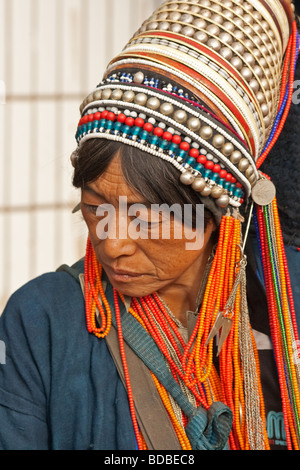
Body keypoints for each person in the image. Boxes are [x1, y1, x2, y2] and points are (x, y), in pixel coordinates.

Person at [0, 0, 300, 451]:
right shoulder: (42, 319)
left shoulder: (286, 310)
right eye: (95, 207)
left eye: (145, 218)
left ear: (219, 212)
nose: (113, 243)